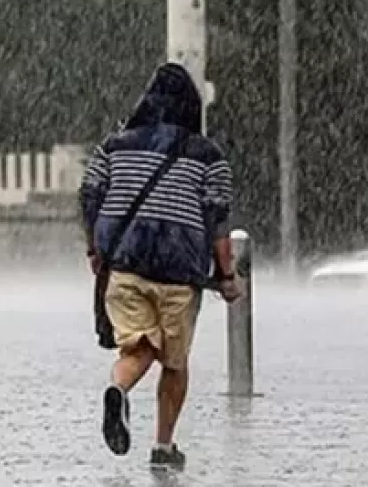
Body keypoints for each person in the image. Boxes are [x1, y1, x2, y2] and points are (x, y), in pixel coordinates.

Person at [79, 62, 241, 471]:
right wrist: (227, 277)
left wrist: (95, 250)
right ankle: (164, 447)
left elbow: (90, 196)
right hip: (179, 273)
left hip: (126, 266)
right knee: (174, 361)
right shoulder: (208, 156)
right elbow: (217, 221)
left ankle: (118, 388)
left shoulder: (114, 146)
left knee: (138, 347)